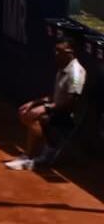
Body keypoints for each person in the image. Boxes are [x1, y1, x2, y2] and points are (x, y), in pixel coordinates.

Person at [6, 36, 86, 171]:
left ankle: (30, 157)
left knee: (35, 118)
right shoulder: (63, 67)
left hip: (69, 116)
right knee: (25, 112)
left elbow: (72, 102)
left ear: (69, 52)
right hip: (59, 110)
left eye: (59, 51)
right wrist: (34, 103)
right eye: (55, 50)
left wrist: (46, 108)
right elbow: (56, 96)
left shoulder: (76, 73)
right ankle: (49, 147)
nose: (55, 54)